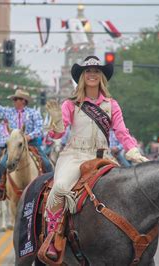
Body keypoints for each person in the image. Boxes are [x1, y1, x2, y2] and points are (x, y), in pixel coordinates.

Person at [43, 55, 149, 261]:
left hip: (103, 157)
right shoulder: (71, 104)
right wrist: (55, 123)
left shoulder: (112, 104)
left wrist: (133, 150)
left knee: (127, 191)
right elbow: (57, 134)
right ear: (82, 76)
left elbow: (122, 132)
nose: (92, 74)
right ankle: (54, 238)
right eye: (88, 71)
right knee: (60, 187)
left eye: (96, 71)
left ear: (101, 77)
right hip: (75, 156)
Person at [0, 86, 54, 184]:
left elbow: (39, 128)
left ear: (23, 101)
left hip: (31, 144)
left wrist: (29, 136)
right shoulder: (9, 112)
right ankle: (0, 185)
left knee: (47, 164)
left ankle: (50, 185)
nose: (14, 101)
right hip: (14, 145)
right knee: (3, 164)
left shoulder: (34, 113)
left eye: (16, 99)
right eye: (14, 99)